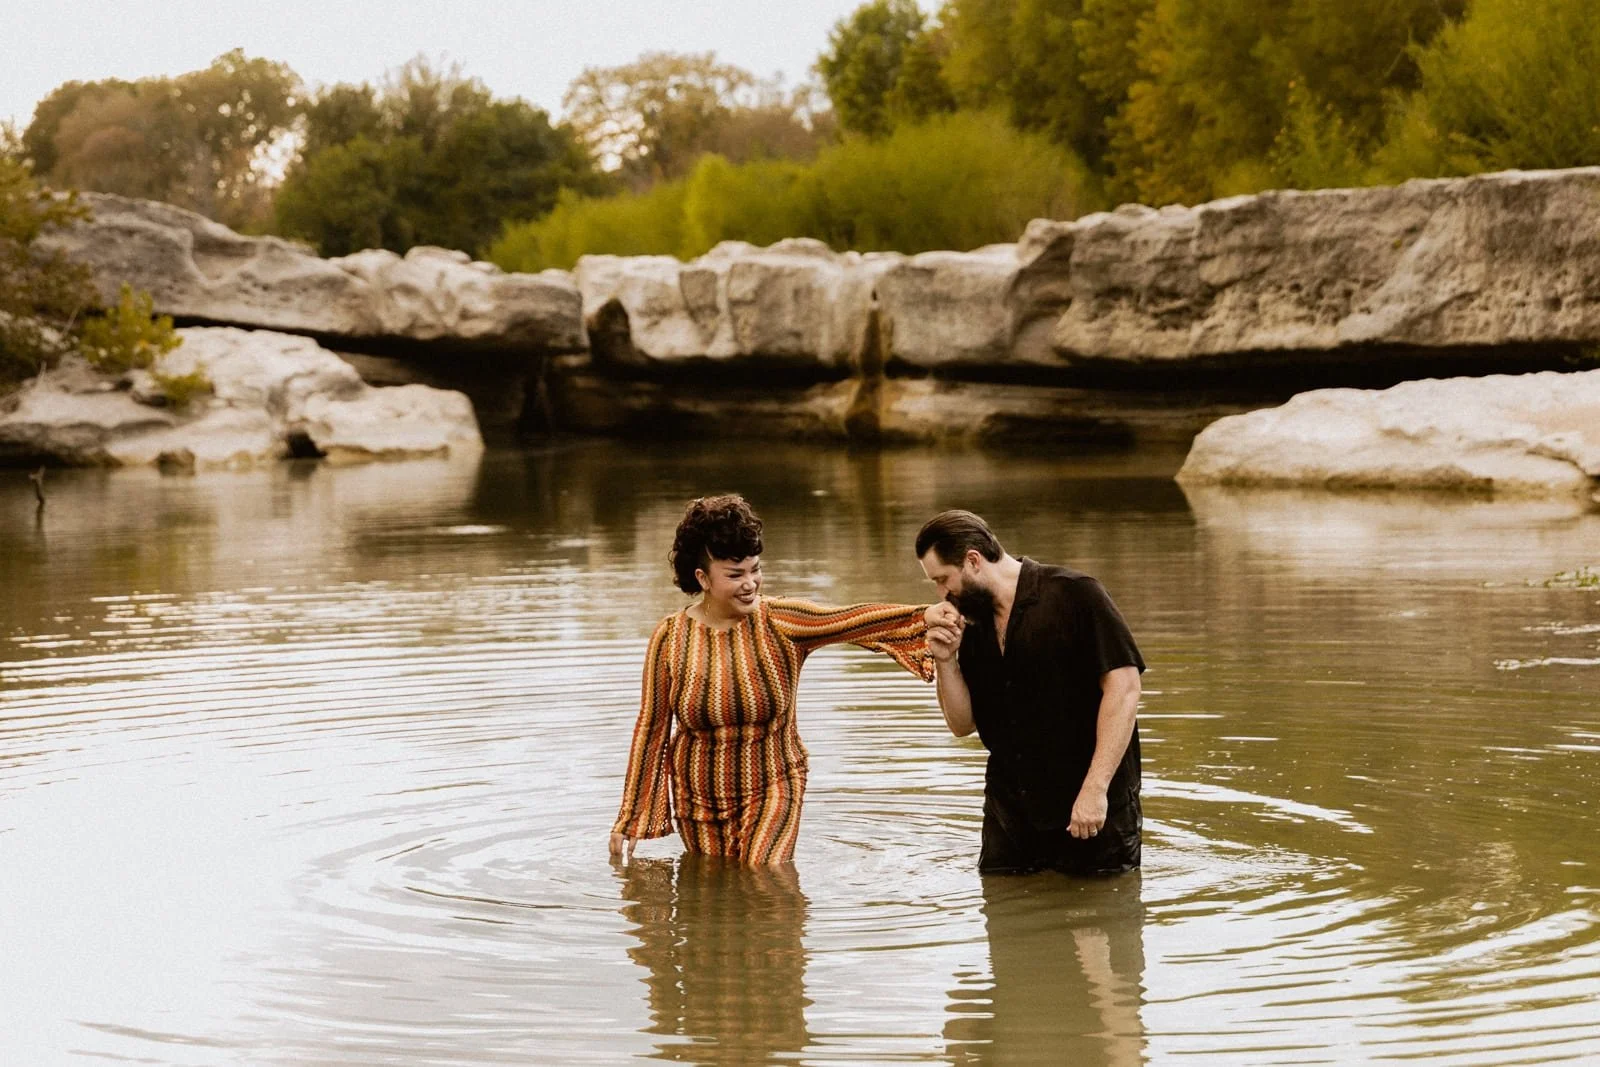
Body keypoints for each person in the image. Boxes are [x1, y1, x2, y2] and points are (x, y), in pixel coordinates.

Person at [609, 494, 935, 867]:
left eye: (755, 570)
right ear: (703, 578)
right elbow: (651, 728)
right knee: (717, 897)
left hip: (773, 785)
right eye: (735, 575)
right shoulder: (669, 638)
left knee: (765, 879)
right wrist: (631, 816)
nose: (750, 583)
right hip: (697, 798)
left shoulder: (781, 620)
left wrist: (927, 617)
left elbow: (852, 619)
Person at [914, 510, 1145, 875]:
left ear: (973, 560)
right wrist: (946, 662)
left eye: (943, 579)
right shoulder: (968, 622)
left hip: (1089, 801)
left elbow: (1125, 689)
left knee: (1102, 917)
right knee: (1005, 913)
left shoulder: (1076, 593)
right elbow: (961, 725)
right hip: (1010, 808)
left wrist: (1095, 789)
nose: (942, 594)